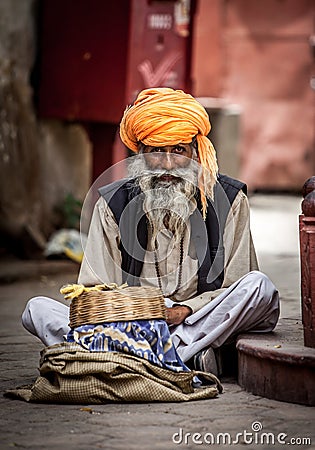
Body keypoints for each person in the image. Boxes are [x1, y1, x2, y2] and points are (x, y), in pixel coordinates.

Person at [22, 88, 279, 377]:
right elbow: (95, 290)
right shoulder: (112, 204)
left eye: (178, 151)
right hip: (130, 324)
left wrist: (186, 311)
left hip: (199, 319)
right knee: (37, 309)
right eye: (157, 151)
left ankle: (137, 358)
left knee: (260, 288)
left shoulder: (229, 200)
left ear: (196, 154)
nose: (167, 166)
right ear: (140, 155)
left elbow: (237, 283)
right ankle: (182, 356)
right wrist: (137, 314)